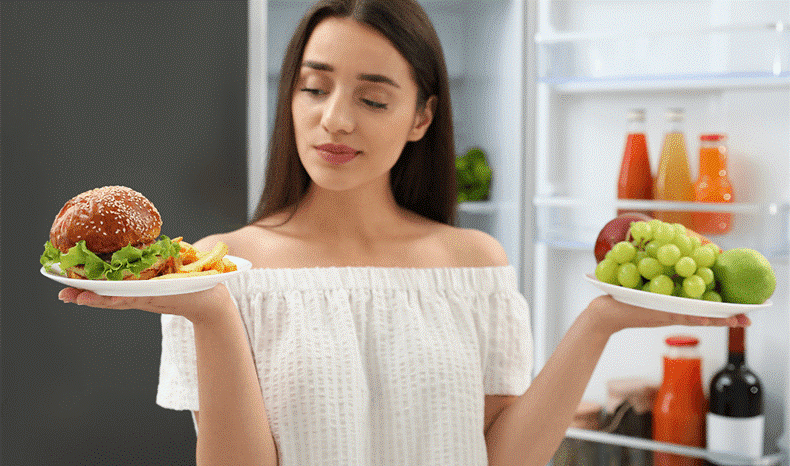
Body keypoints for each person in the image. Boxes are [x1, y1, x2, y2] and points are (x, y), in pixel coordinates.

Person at [57, 0, 750, 465]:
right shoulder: (216, 268)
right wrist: (211, 315)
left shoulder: (474, 262)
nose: (334, 119)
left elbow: (503, 457)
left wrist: (600, 321)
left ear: (421, 117)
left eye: (374, 98)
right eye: (313, 87)